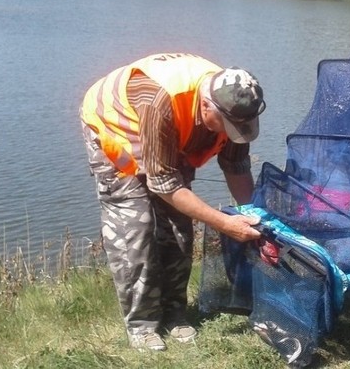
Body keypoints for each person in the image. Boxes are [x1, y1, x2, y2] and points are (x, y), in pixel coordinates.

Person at [80, 53, 265, 351]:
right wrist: (226, 224)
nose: (233, 133)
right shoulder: (160, 102)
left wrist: (254, 216)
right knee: (136, 228)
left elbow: (236, 167)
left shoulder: (238, 102)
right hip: (117, 129)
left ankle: (174, 311)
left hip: (171, 134)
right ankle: (142, 324)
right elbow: (164, 185)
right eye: (228, 126)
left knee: (179, 229)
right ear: (206, 105)